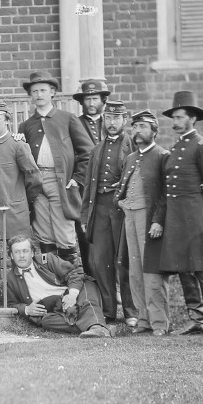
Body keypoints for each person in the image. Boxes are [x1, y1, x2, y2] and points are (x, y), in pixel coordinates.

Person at [158, 91, 203, 336]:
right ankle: (196, 319)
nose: (174, 122)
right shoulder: (177, 147)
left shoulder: (201, 146)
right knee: (184, 268)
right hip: (178, 218)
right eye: (173, 117)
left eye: (179, 117)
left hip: (198, 216)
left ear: (192, 119)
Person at [17, 71, 94, 262]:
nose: (39, 94)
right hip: (37, 183)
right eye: (35, 91)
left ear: (52, 92)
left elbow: (88, 152)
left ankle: (72, 281)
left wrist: (76, 179)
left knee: (64, 234)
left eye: (43, 90)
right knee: (44, 234)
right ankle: (51, 279)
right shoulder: (26, 125)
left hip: (61, 182)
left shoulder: (67, 119)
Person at [116, 109, 171, 335]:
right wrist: (120, 201)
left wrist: (158, 221)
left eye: (143, 127)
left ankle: (159, 323)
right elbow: (123, 186)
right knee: (135, 270)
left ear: (154, 131)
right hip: (129, 216)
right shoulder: (131, 157)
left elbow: (166, 194)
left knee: (152, 271)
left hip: (149, 220)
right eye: (135, 127)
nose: (137, 131)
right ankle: (143, 320)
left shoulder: (162, 156)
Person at [80, 99, 134, 323]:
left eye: (117, 118)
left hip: (121, 210)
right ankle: (109, 311)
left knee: (124, 261)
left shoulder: (131, 146)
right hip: (99, 210)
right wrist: (85, 216)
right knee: (101, 262)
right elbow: (88, 187)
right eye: (109, 118)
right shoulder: (97, 149)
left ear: (125, 120)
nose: (112, 123)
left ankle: (132, 313)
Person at [0, 99, 42, 280]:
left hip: (15, 205)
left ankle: (25, 282)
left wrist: (22, 199)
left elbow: (34, 177)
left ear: (6, 120)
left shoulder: (18, 144)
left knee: (19, 245)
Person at [5, 234, 112, 338]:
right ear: (11, 256)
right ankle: (96, 326)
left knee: (87, 294)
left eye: (25, 251)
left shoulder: (47, 260)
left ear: (32, 253)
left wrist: (72, 294)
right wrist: (27, 309)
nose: (22, 255)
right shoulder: (10, 279)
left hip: (75, 295)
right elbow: (11, 304)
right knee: (46, 321)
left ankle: (97, 327)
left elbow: (74, 272)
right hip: (54, 309)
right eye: (17, 252)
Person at [73, 79, 111, 147]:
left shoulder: (108, 123)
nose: (91, 104)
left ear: (102, 101)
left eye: (95, 99)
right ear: (82, 102)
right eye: (88, 99)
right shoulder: (75, 123)